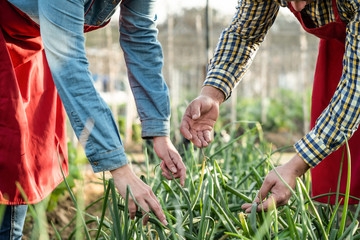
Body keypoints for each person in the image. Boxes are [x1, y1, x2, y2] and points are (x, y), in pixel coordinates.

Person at [0, 0, 186, 238]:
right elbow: (70, 64)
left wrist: (159, 132)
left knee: (19, 155)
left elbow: (140, 36)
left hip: (31, 46)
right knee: (7, 152)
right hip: (12, 36)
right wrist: (120, 170)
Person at [181, 0, 360, 213]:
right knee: (339, 179)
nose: (296, 6)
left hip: (355, 71)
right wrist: (211, 94)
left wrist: (295, 167)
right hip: (343, 56)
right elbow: (244, 34)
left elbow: (355, 90)